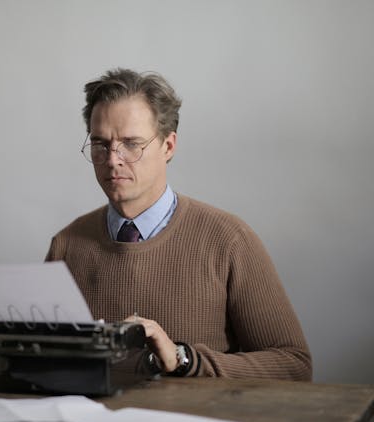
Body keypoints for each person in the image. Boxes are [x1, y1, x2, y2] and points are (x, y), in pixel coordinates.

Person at [45, 68, 312, 380]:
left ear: (168, 147)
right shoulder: (66, 244)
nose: (113, 159)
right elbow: (46, 363)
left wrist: (184, 360)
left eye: (131, 143)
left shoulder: (229, 240)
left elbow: (294, 365)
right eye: (101, 144)